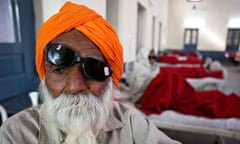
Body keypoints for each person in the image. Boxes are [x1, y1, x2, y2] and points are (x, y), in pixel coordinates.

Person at [0, 2, 180, 144]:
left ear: (109, 80)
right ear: (45, 76)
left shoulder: (130, 123)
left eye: (93, 70)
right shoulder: (15, 134)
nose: (75, 85)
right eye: (60, 69)